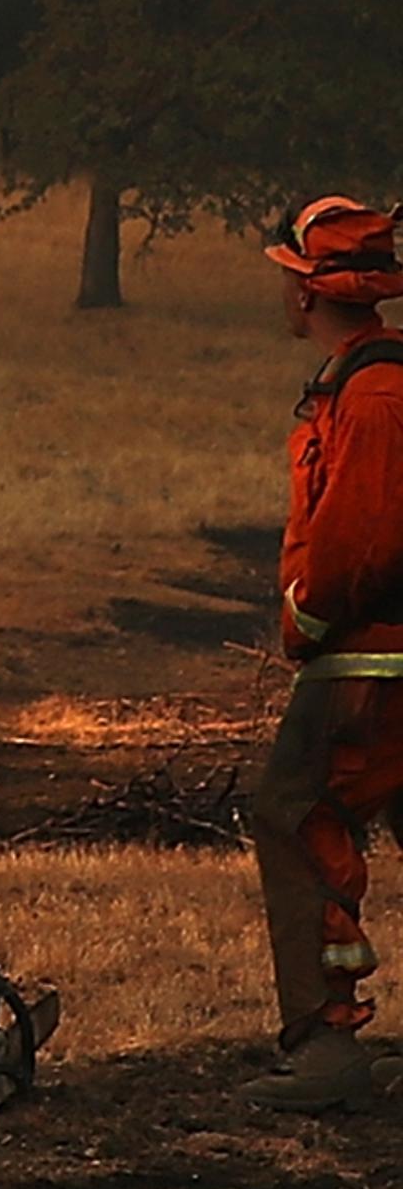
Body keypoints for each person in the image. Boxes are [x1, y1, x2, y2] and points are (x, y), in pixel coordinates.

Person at [241, 195, 403, 1113]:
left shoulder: (373, 393)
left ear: (309, 293)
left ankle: (327, 1044)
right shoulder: (369, 379)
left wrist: (305, 610)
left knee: (297, 812)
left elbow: (356, 546)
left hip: (369, 662)